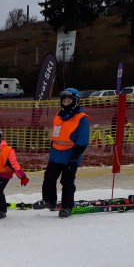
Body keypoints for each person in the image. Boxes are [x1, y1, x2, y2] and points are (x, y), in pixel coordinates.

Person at [32, 88, 90, 218]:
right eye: (64, 100)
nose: (66, 102)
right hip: (56, 155)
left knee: (67, 182)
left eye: (69, 100)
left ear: (75, 101)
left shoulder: (81, 119)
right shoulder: (59, 116)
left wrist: (75, 157)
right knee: (49, 178)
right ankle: (49, 201)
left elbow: (83, 140)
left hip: (71, 156)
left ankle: (67, 206)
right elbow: (55, 135)